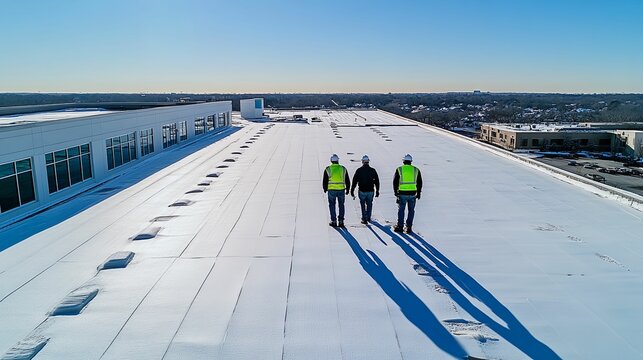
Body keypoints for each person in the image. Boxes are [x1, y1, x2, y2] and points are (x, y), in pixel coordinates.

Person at [393, 154, 423, 233]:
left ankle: (400, 226)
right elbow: (420, 182)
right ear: (411, 161)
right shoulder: (416, 170)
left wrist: (396, 192)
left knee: (401, 210)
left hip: (402, 193)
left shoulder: (399, 169)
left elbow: (395, 182)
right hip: (413, 193)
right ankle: (409, 227)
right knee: (411, 210)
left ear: (403, 161)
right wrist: (419, 193)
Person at [350, 155, 380, 224]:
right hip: (370, 191)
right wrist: (377, 190)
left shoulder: (359, 170)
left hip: (362, 190)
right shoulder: (373, 170)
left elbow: (354, 181)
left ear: (362, 162)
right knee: (369, 204)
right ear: (368, 162)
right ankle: (368, 217)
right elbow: (377, 181)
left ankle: (364, 218)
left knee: (362, 204)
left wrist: (352, 190)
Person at [323, 154, 350, 227]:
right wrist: (348, 189)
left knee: (332, 205)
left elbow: (325, 180)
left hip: (331, 190)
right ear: (338, 160)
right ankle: (341, 221)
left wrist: (325, 189)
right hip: (341, 189)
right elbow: (347, 179)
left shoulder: (328, 169)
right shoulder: (343, 168)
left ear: (331, 160)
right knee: (341, 205)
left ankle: (334, 221)